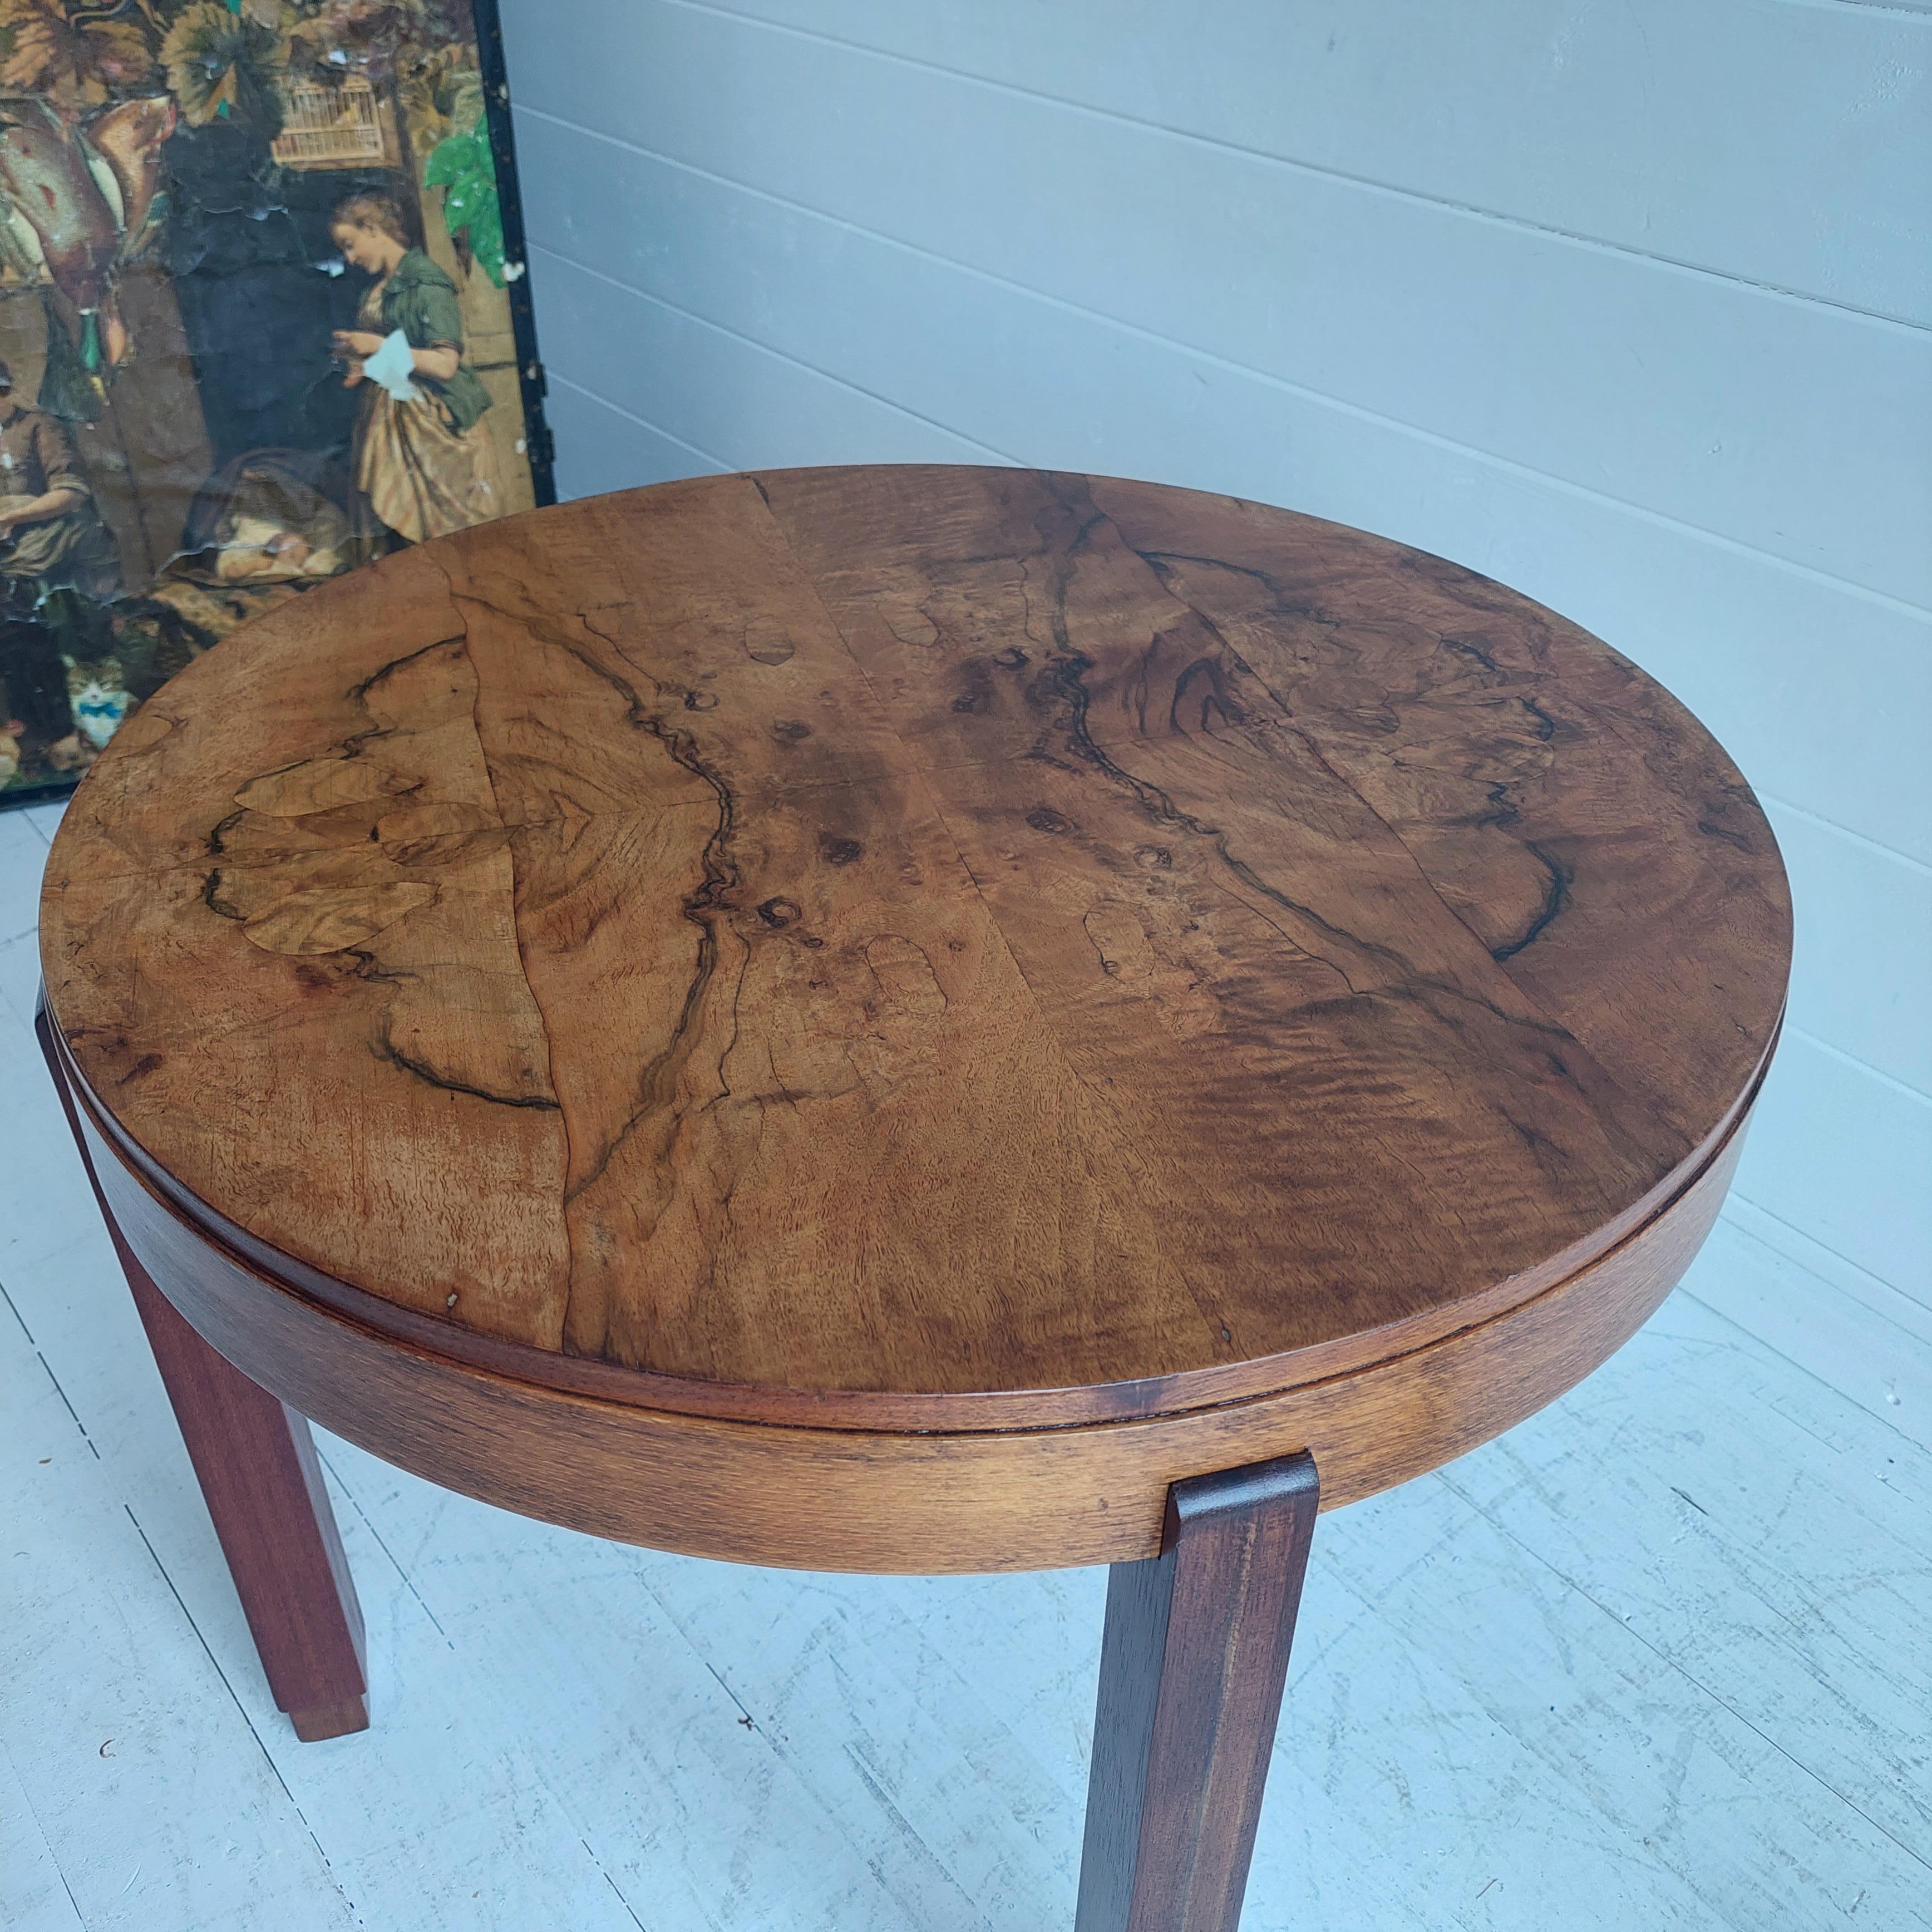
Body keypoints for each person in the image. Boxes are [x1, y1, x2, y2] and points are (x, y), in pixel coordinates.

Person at [327, 190, 501, 546]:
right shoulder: (374, 292)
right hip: (387, 423)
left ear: (374, 229)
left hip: (434, 428)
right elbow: (387, 356)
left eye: (351, 244)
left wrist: (377, 346)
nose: (349, 258)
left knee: (445, 542)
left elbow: (445, 365)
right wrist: (360, 362)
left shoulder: (427, 283)